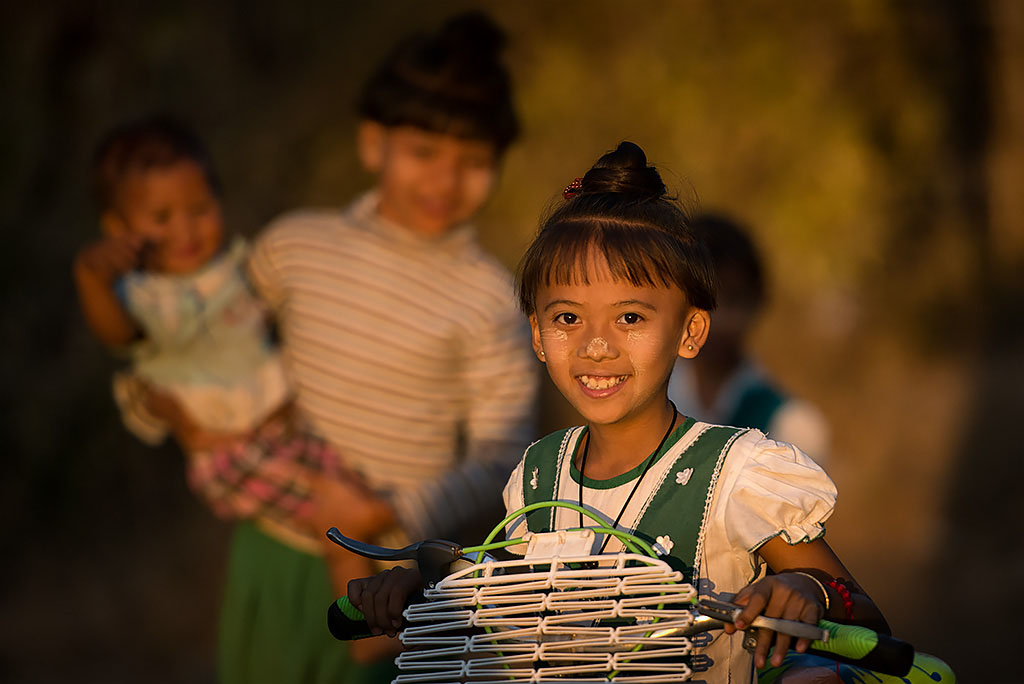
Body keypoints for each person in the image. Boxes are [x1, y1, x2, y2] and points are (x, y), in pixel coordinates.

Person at [348, 142, 889, 683]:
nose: (596, 346)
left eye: (630, 318)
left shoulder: (736, 473)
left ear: (690, 331)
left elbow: (868, 620)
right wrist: (426, 589)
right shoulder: (537, 474)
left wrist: (808, 590)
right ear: (536, 333)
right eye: (567, 318)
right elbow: (508, 608)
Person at [136, 11, 539, 682]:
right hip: (274, 553)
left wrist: (386, 511)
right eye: (423, 152)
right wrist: (171, 413)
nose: (445, 180)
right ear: (373, 142)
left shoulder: (490, 298)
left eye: (472, 162)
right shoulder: (297, 246)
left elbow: (503, 454)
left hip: (390, 573)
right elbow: (203, 342)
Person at [73, 115, 383, 681]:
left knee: (357, 490)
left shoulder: (237, 268)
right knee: (341, 519)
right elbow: (116, 333)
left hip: (285, 431)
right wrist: (92, 277)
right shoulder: (143, 296)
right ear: (119, 229)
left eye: (200, 208)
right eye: (162, 218)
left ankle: (378, 603)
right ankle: (366, 632)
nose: (187, 229)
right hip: (229, 453)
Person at [667, 213, 830, 465]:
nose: (717, 319)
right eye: (703, 300)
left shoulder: (792, 428)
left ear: (757, 302)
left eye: (733, 300)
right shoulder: (645, 403)